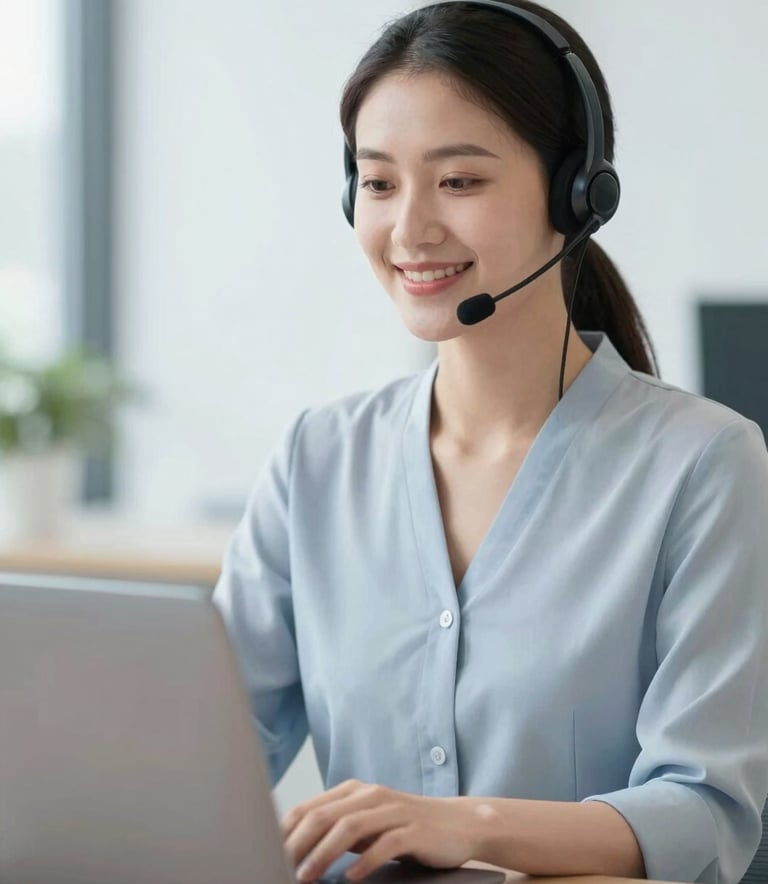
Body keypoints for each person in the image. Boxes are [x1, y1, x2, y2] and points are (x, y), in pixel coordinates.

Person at [212, 2, 768, 883]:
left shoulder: (703, 465)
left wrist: (463, 826)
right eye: (381, 181)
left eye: (460, 181)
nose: (410, 229)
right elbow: (206, 753)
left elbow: (704, 810)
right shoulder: (317, 460)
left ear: (575, 193)